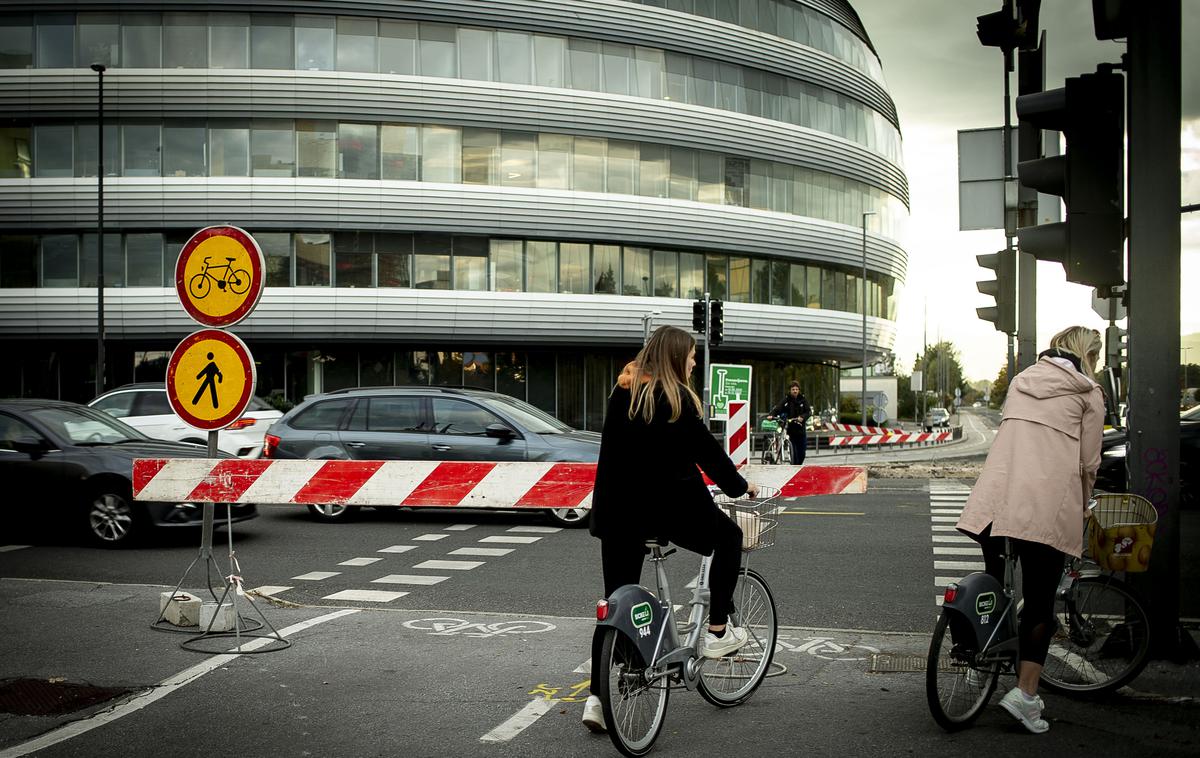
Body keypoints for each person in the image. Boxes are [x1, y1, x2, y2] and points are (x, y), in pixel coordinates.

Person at [581, 325, 758, 734]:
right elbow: (708, 454)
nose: (694, 361)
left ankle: (597, 699)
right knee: (729, 537)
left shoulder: (622, 391)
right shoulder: (675, 399)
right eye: (692, 355)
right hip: (667, 511)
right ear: (676, 357)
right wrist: (738, 485)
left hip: (618, 514)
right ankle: (716, 630)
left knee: (616, 603)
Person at [956, 326, 1105, 734]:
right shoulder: (1088, 394)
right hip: (1042, 508)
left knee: (994, 587)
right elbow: (1088, 464)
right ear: (1088, 356)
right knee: (1039, 604)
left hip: (995, 502)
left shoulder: (1022, 381)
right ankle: (1024, 696)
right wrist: (1084, 505)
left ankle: (976, 665)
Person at [766, 382, 812, 465]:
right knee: (793, 452)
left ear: (799, 390)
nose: (795, 391)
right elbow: (778, 408)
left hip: (801, 430)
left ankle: (797, 466)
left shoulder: (803, 400)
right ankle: (794, 467)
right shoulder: (786, 399)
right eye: (793, 389)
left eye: (796, 389)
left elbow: (808, 412)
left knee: (802, 453)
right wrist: (771, 415)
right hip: (790, 430)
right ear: (790, 390)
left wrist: (802, 417)